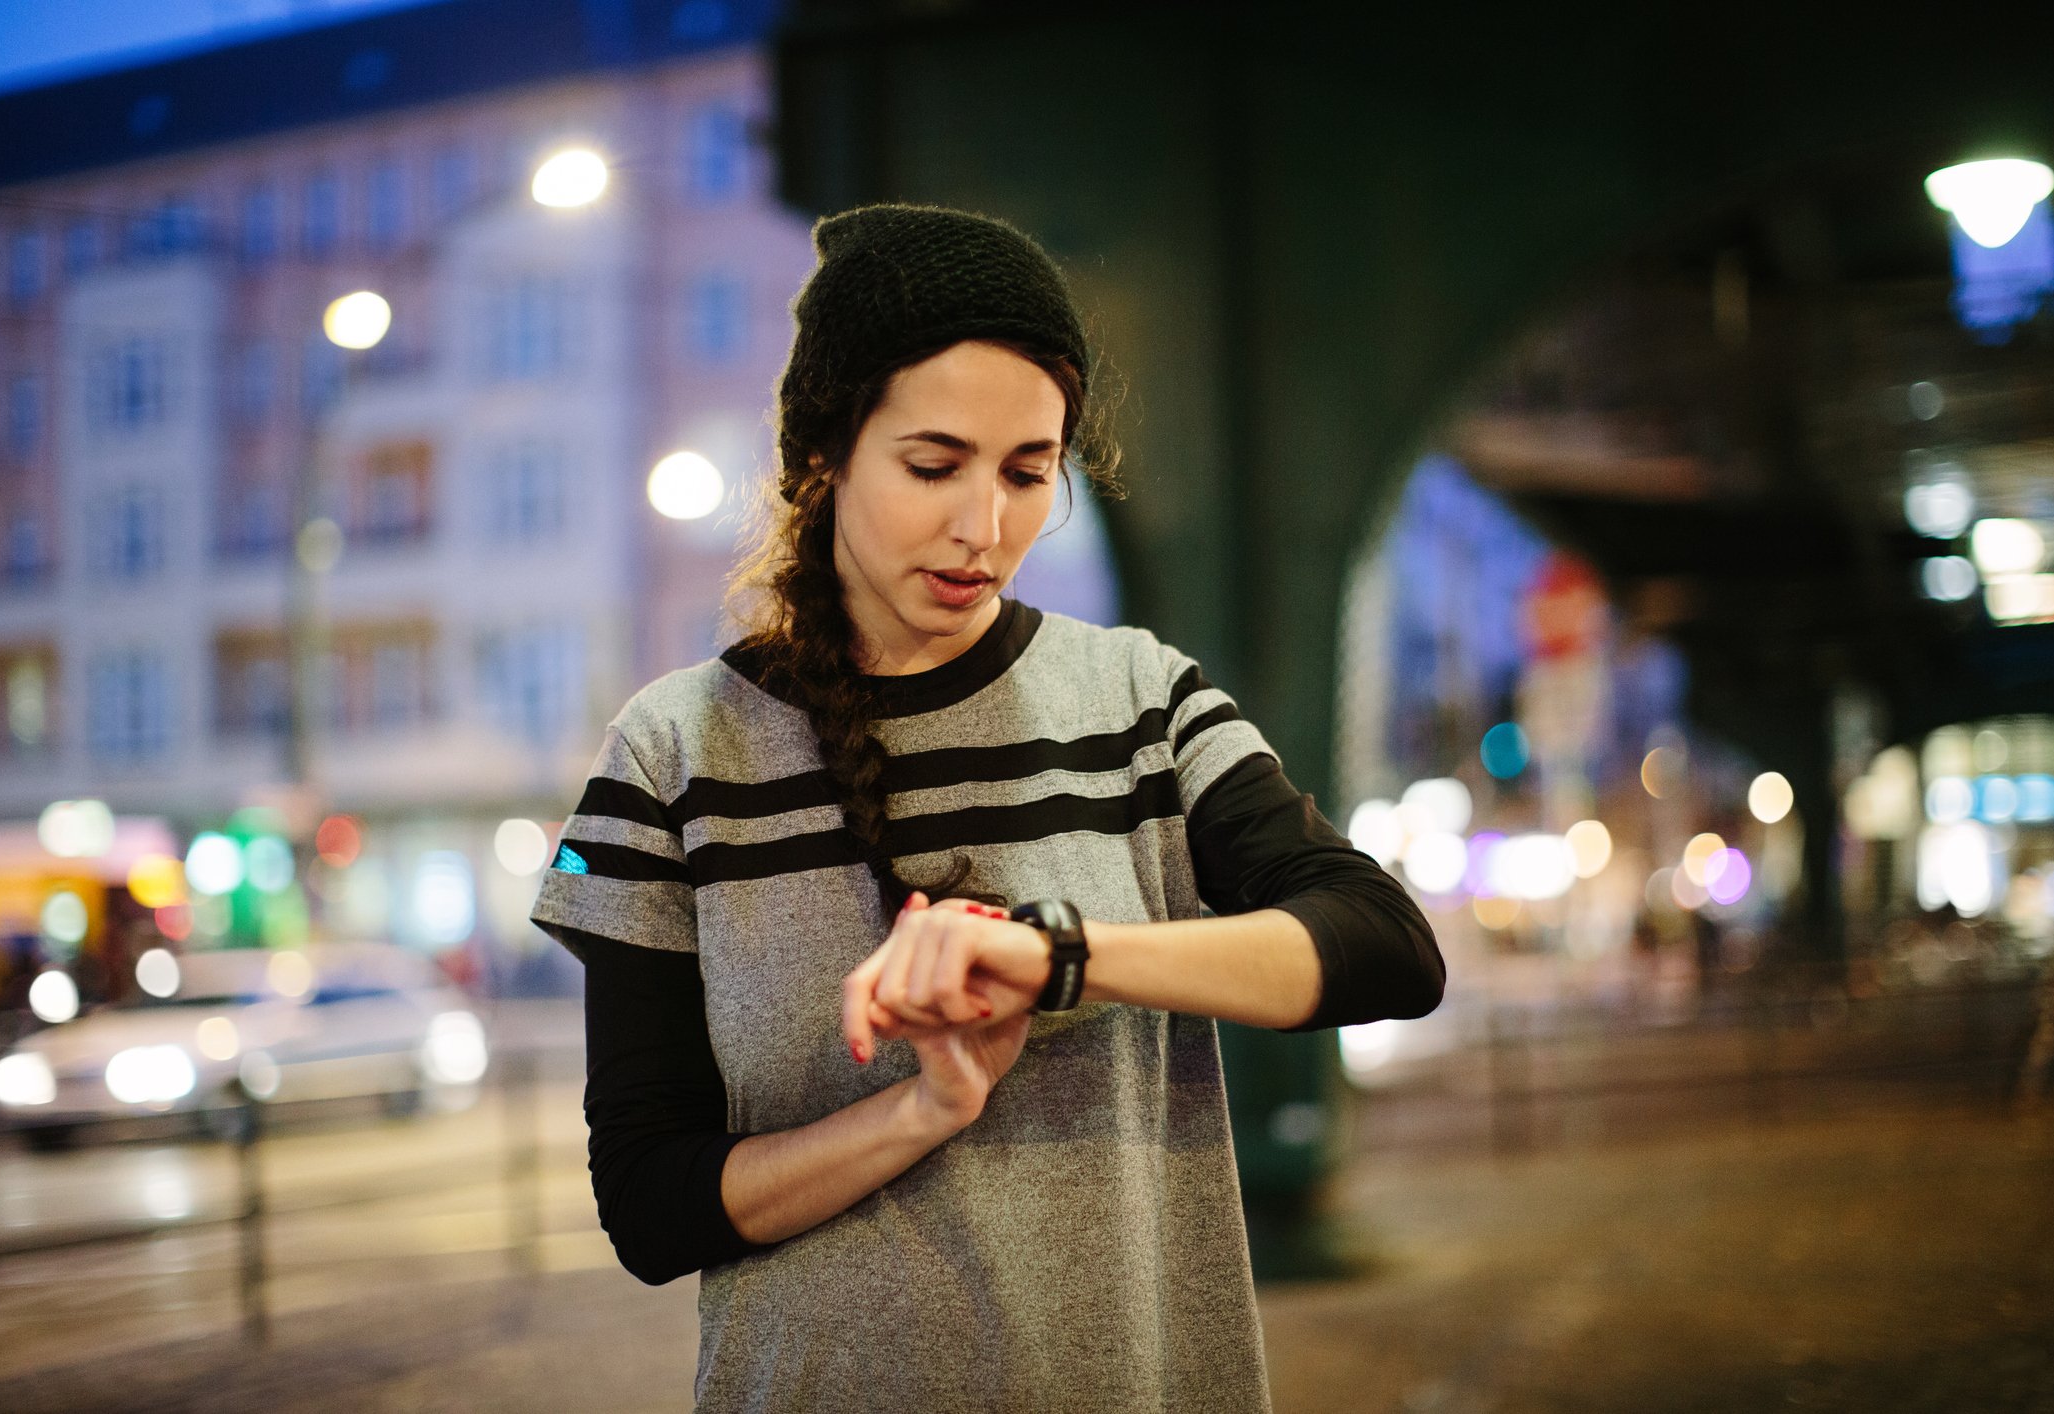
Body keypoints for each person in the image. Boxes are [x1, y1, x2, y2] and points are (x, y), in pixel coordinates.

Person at [531, 203, 1444, 1412]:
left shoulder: (1135, 701)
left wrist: (1059, 956)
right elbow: (650, 1207)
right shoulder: (676, 752)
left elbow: (1389, 948)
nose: (986, 527)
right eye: (933, 465)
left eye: (1029, 473)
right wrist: (925, 1108)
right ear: (824, 456)